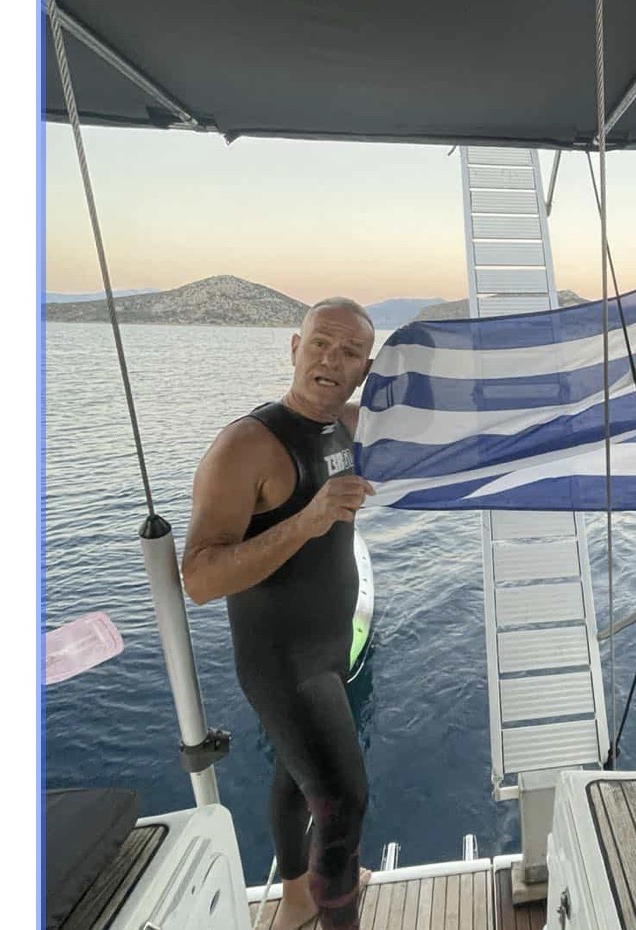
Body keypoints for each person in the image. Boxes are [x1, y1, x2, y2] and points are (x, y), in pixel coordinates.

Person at [182, 297, 377, 930]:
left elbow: (438, 428)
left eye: (350, 352)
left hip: (332, 644)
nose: (331, 360)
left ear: (364, 369)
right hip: (283, 660)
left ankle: (296, 898)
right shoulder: (247, 446)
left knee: (297, 777)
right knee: (344, 800)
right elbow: (199, 578)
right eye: (320, 343)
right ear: (295, 349)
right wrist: (309, 519)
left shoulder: (349, 425)